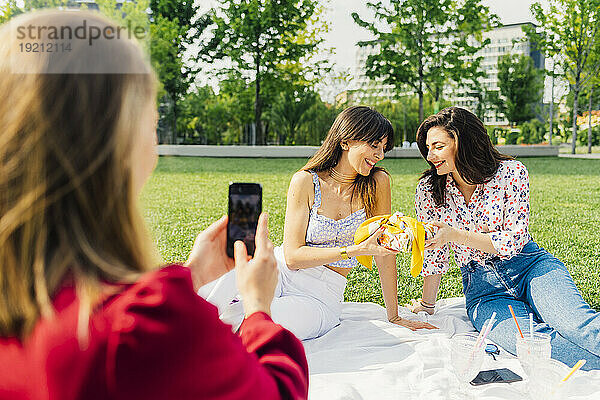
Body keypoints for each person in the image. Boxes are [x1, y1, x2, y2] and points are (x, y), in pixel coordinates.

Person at [0, 10, 308, 399]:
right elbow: (275, 391)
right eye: (151, 122)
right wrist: (258, 308)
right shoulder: (141, 328)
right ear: (117, 144)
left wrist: (190, 277)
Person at [407, 106, 600, 370]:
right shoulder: (429, 190)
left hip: (531, 267)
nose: (430, 156)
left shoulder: (512, 172)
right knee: (534, 344)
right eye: (427, 148)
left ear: (462, 142)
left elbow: (513, 240)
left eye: (438, 146)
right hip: (483, 290)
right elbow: (434, 253)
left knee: (578, 326)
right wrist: (427, 305)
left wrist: (454, 235)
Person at [268, 106, 436, 339]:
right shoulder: (305, 181)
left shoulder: (378, 182)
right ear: (346, 141)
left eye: (384, 148)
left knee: (265, 323)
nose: (380, 155)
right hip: (280, 271)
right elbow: (292, 257)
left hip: (322, 293)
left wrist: (394, 316)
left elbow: (384, 253)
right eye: (374, 144)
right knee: (221, 290)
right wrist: (353, 250)